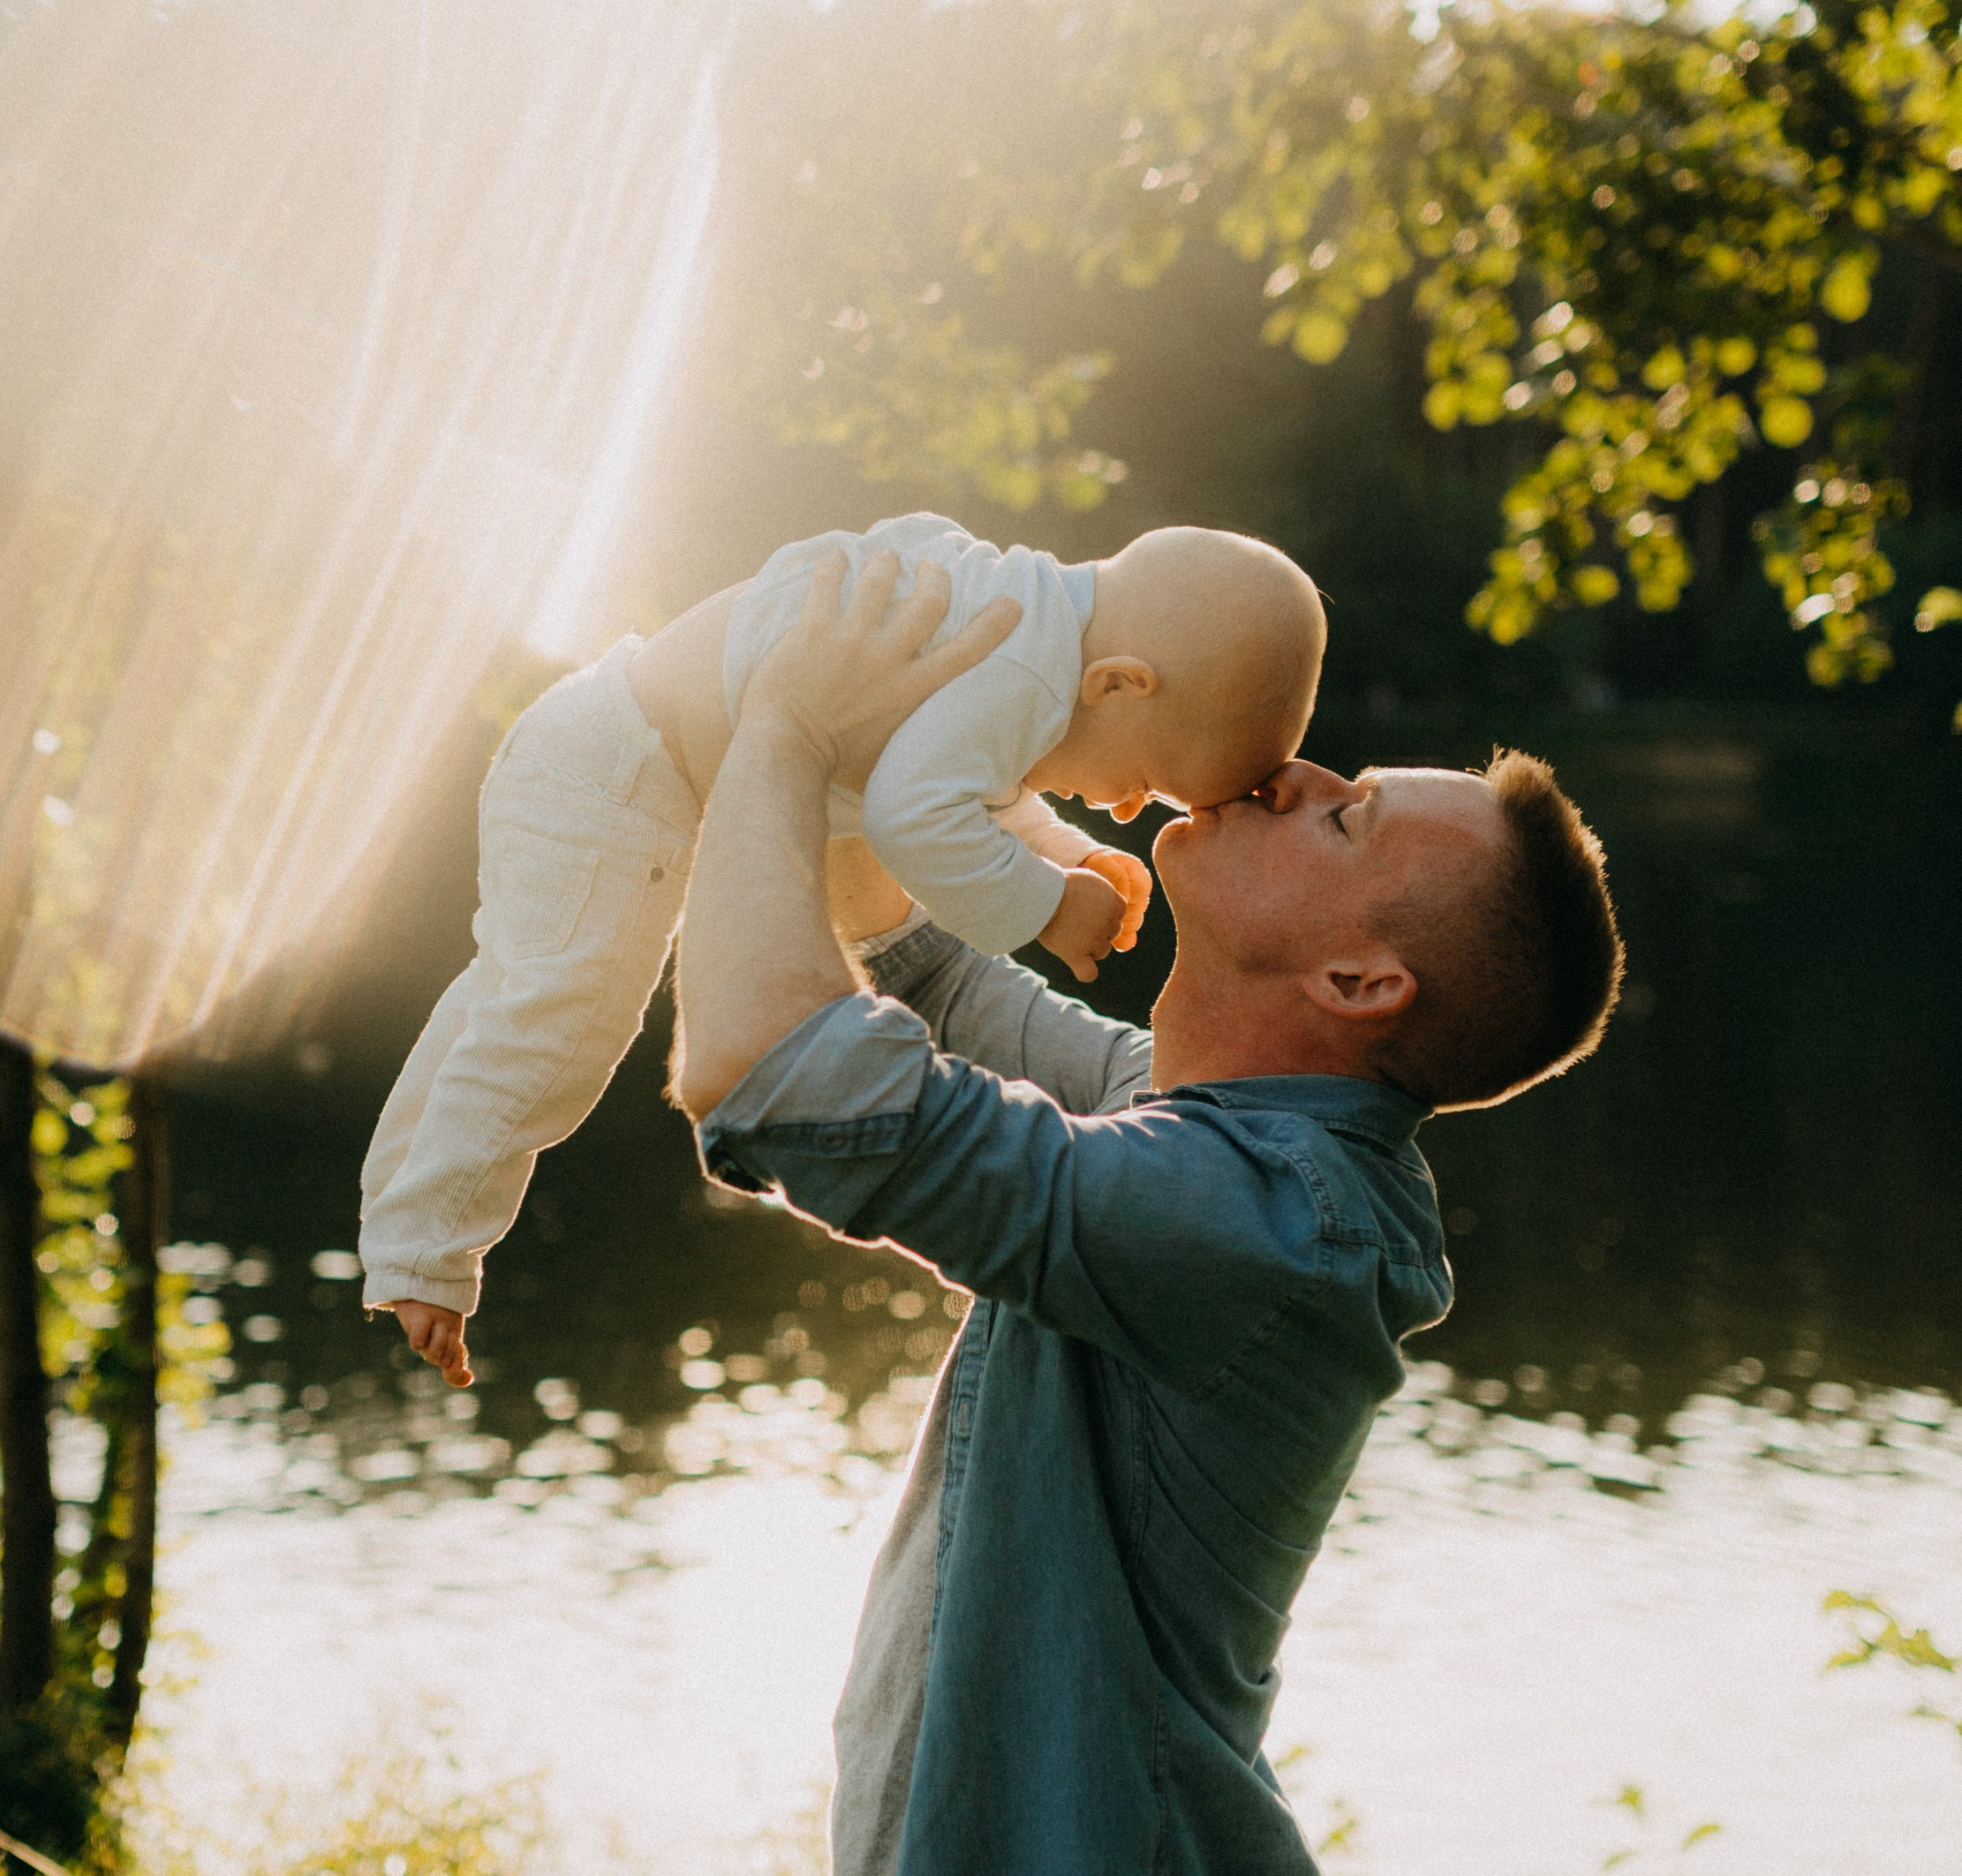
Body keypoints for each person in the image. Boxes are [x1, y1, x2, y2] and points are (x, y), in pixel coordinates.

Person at [668, 550, 1625, 1876]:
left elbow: (760, 1063)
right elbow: (915, 987)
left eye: (1347, 813)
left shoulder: (1245, 1214)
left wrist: (759, 735)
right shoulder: (1217, 1138)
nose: (1289, 775)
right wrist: (894, 750)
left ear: (1365, 985)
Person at [359, 511, 1325, 1385]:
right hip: (625, 779)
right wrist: (1045, 907)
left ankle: (402, 1217)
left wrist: (1069, 851)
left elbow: (967, 771)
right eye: (1144, 783)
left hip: (595, 733)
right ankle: (428, 1258)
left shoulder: (1014, 613)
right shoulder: (1026, 674)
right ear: (1118, 683)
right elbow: (919, 816)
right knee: (562, 1026)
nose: (1121, 806)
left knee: (510, 1001)